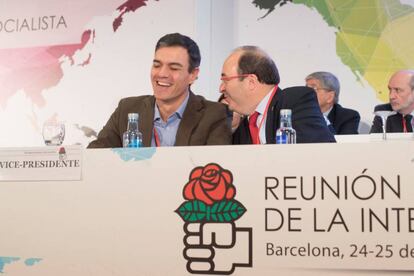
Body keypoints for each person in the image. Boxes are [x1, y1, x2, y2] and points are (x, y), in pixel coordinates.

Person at [88, 33, 231, 148]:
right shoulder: (127, 110)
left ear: (193, 74)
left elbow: (215, 168)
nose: (162, 74)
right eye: (157, 65)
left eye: (174, 68)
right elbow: (95, 157)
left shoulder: (214, 114)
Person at [219, 46, 335, 144]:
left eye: (225, 80)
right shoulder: (244, 126)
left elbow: (314, 155)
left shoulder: (295, 102)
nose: (221, 88)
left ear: (251, 82)